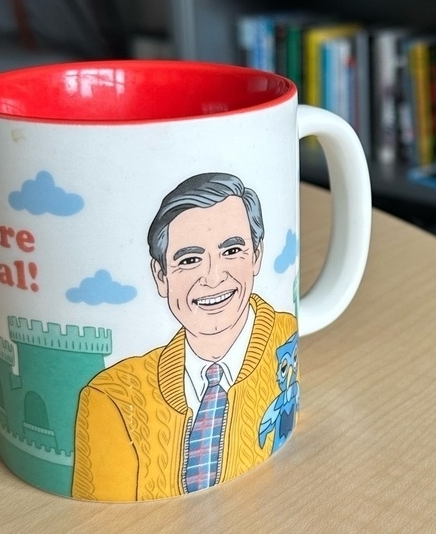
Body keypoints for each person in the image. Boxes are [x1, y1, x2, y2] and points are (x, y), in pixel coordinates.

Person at [72, 172, 298, 502]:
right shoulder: (113, 398)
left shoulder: (285, 340)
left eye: (232, 250)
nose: (213, 277)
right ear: (161, 276)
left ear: (256, 256)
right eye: (190, 259)